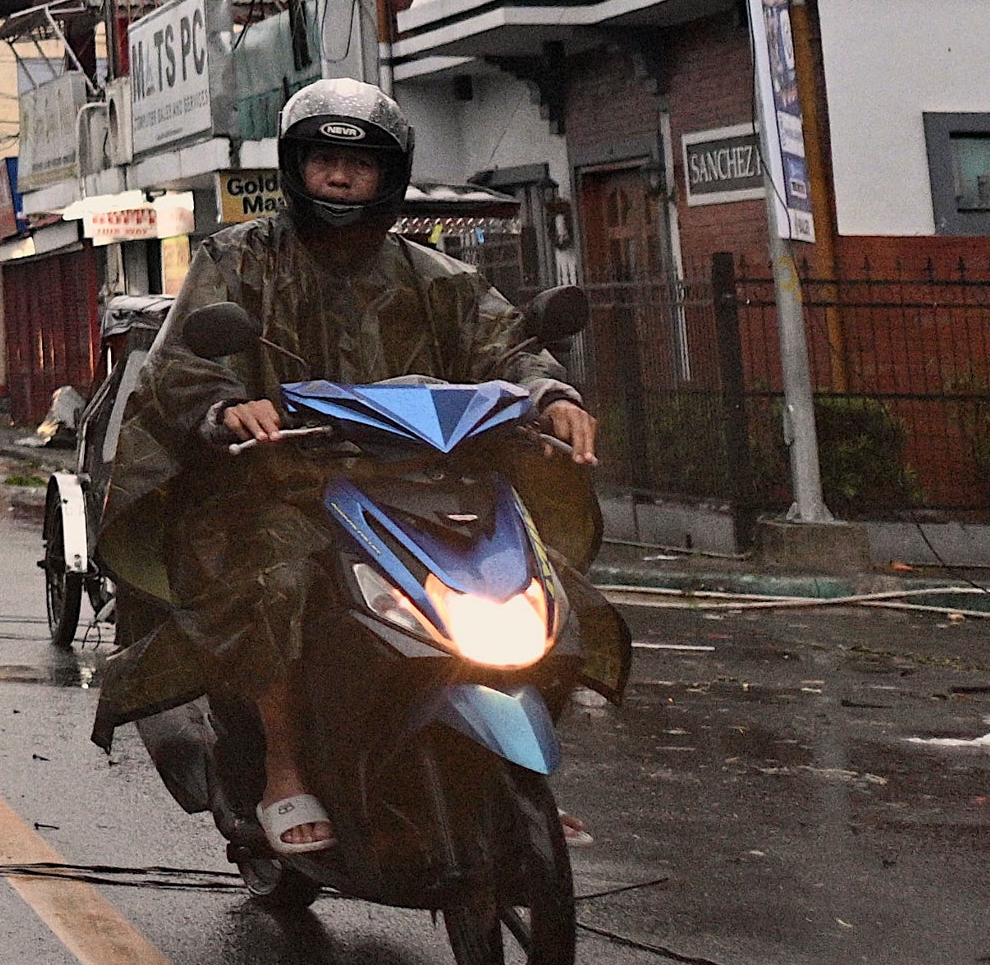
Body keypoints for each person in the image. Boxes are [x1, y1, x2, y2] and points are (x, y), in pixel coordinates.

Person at [93, 77, 620, 859]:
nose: (340, 179)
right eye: (323, 163)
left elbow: (506, 346)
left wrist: (550, 395)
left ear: (388, 177)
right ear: (295, 170)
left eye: (360, 165)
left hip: (419, 491)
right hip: (278, 487)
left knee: (550, 596)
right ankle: (282, 765)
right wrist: (228, 405)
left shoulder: (432, 276)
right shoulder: (236, 260)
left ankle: (518, 773)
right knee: (272, 577)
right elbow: (181, 367)